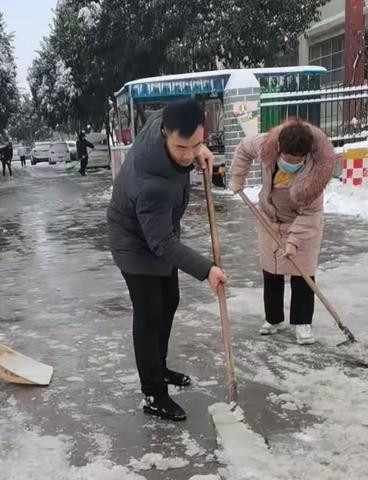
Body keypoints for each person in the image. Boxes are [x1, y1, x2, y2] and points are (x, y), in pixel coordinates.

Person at [107, 100, 226, 421]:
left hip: (158, 229)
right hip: (134, 242)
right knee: (149, 314)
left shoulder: (167, 121)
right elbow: (161, 243)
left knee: (169, 300)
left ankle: (158, 368)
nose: (188, 154)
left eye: (196, 143)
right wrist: (206, 270)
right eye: (181, 147)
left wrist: (198, 148)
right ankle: (153, 394)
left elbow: (180, 120)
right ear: (163, 135)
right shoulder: (152, 183)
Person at [229, 118, 336, 345]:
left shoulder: (316, 173)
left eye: (297, 161)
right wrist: (238, 178)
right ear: (279, 148)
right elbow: (242, 149)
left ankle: (302, 322)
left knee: (303, 275)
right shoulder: (265, 145)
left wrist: (293, 242)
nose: (291, 164)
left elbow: (311, 214)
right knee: (272, 271)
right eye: (287, 159)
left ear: (306, 155)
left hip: (302, 223)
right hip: (270, 218)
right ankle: (273, 319)